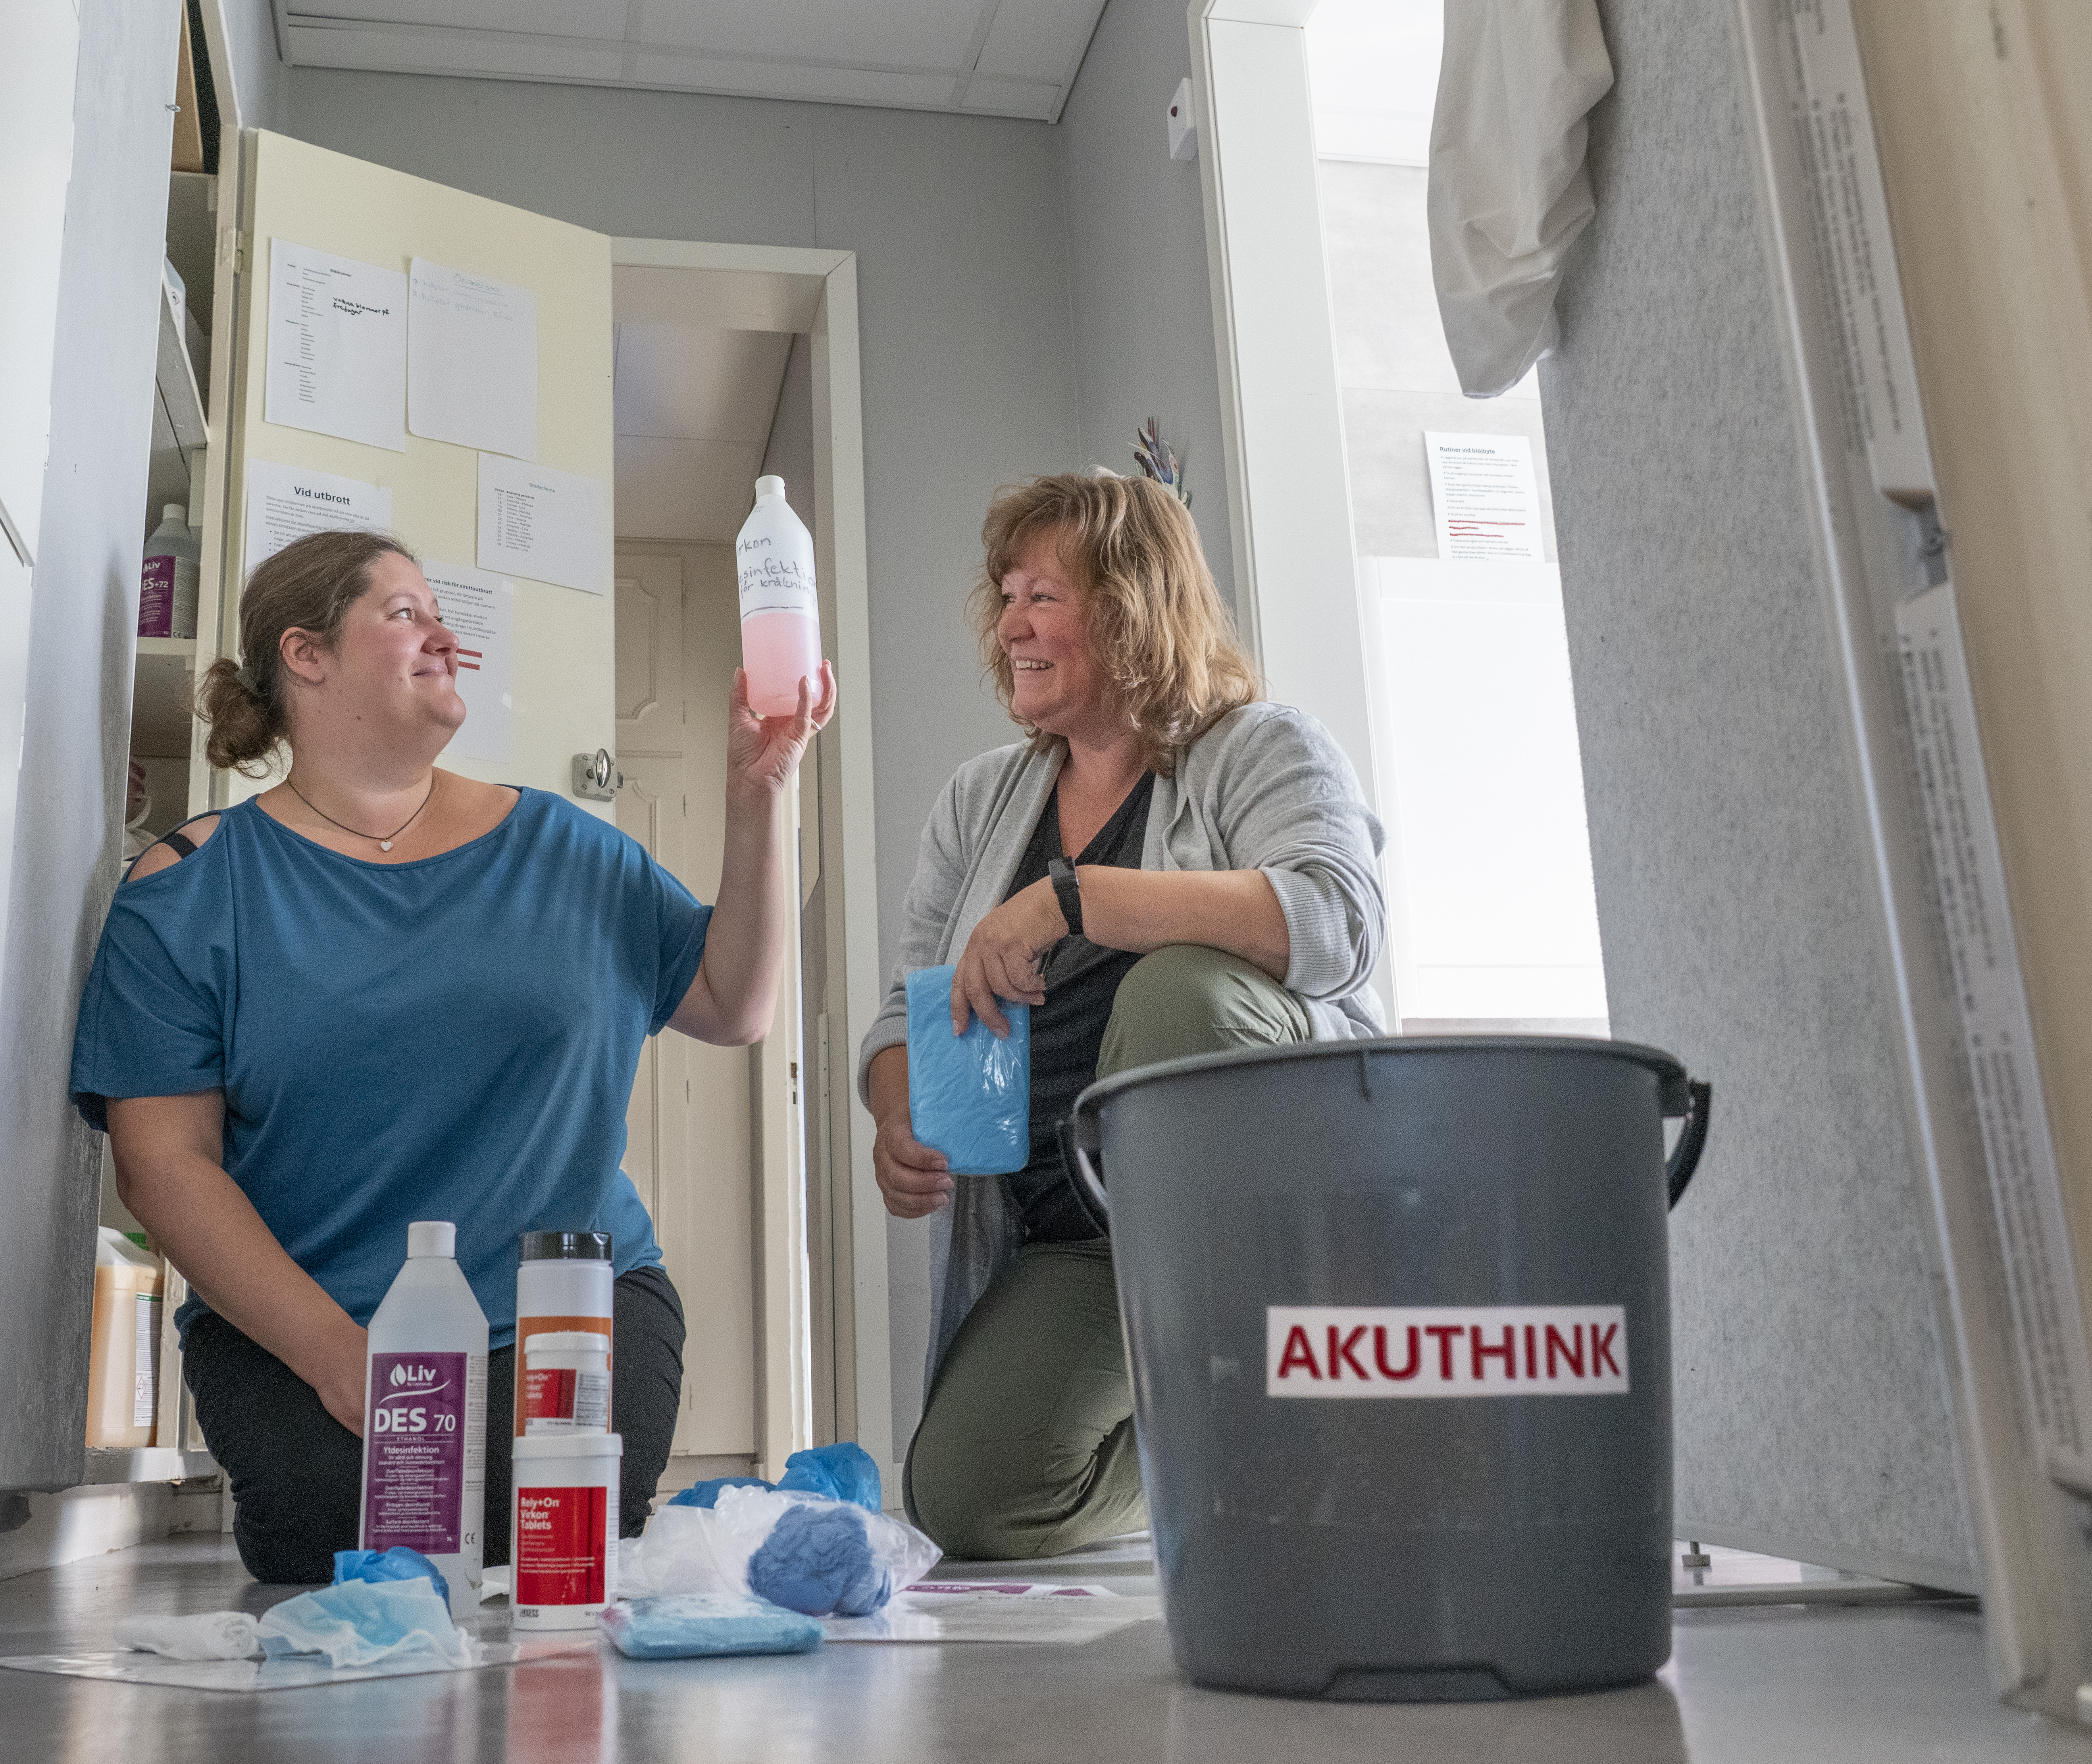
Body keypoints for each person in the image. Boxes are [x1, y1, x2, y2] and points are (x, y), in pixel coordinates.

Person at [74, 528, 830, 1583]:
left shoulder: (565, 850)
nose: (446, 638)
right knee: (338, 1540)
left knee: (551, 1537)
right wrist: (339, 1358)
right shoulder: (187, 893)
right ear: (306, 655)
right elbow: (164, 1165)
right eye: (405, 614)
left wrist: (762, 797)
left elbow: (732, 1003)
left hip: (564, 1310)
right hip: (311, 1323)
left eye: (442, 616)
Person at [863, 473, 1384, 1560]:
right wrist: (900, 1113)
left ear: (1133, 608)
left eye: (1044, 597)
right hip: (1085, 1238)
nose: (1011, 625)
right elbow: (909, 1011)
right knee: (967, 1497)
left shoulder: (1263, 747)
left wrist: (1075, 899)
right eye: (1007, 597)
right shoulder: (978, 800)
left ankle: (1281, 1359)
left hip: (1262, 1219)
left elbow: (1339, 923)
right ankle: (1233, 1438)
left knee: (1178, 991)